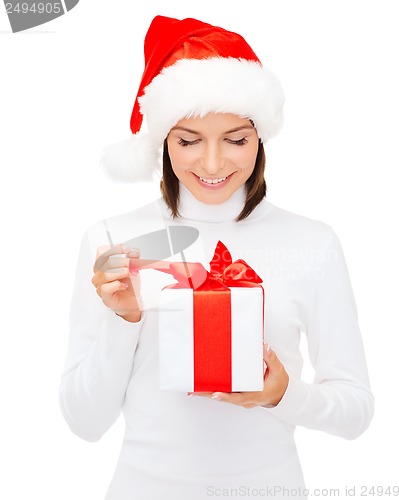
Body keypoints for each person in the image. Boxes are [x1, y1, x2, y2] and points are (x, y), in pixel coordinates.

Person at [59, 15, 374, 500]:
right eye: (188, 141)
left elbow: (355, 411)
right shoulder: (115, 241)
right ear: (162, 139)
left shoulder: (312, 242)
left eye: (236, 139)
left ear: (261, 137)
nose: (212, 164)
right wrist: (123, 321)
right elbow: (84, 422)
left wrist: (283, 395)